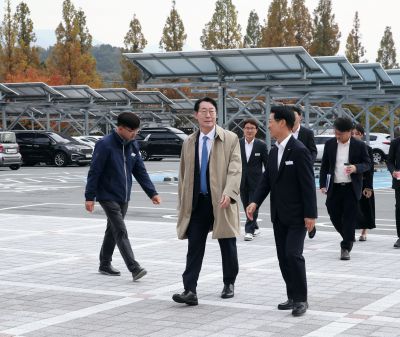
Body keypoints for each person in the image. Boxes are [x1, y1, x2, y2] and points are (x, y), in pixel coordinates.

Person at [246, 105, 317, 317]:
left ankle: (301, 299)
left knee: (293, 254)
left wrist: (311, 214)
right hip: (279, 215)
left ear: (282, 123)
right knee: (282, 257)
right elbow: (267, 180)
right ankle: (292, 296)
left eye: (270, 121)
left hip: (297, 215)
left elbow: (307, 185)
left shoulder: (300, 150)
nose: (268, 125)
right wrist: (254, 202)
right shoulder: (274, 150)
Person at [172, 97, 242, 306]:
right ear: (196, 115)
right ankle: (189, 289)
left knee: (227, 242)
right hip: (197, 202)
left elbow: (236, 169)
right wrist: (182, 201)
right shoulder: (189, 142)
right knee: (194, 246)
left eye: (211, 111)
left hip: (221, 200)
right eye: (203, 111)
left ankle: (229, 282)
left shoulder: (230, 138)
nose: (208, 115)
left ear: (216, 114)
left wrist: (229, 192)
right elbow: (183, 174)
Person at [85, 112, 161, 281]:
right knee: (120, 230)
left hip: (123, 195)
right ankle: (134, 268)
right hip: (106, 195)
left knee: (112, 230)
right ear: (120, 128)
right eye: (131, 130)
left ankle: (104, 264)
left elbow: (140, 170)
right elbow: (94, 171)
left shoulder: (133, 145)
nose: (135, 133)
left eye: (137, 130)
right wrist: (89, 197)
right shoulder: (104, 145)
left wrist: (152, 193)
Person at [319, 117, 370, 260]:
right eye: (336, 133)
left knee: (349, 218)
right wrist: (323, 184)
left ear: (349, 132)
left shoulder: (359, 146)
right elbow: (324, 166)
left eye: (340, 134)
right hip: (334, 187)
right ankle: (349, 236)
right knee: (333, 213)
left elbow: (367, 163)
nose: (337, 136)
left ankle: (345, 247)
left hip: (351, 188)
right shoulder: (330, 144)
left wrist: (355, 168)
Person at [239, 118, 268, 241]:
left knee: (253, 205)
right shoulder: (237, 144)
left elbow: (267, 164)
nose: (249, 130)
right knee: (246, 205)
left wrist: (268, 181)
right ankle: (255, 227)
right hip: (241, 181)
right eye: (247, 128)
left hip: (256, 182)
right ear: (243, 130)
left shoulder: (261, 145)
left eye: (252, 128)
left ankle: (249, 230)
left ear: (256, 130)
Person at [292, 105, 318, 239]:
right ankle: (302, 224)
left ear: (300, 117)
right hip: (290, 174)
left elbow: (313, 150)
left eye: (294, 115)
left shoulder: (307, 133)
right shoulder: (285, 132)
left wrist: (308, 163)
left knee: (307, 197)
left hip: (305, 172)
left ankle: (311, 223)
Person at [352, 124, 376, 241]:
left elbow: (370, 169)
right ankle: (350, 231)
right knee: (351, 208)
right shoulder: (348, 148)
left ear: (361, 135)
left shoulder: (367, 149)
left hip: (364, 183)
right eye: (352, 134)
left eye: (357, 133)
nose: (354, 136)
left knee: (365, 207)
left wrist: (369, 187)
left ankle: (364, 232)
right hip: (351, 182)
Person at [387, 134, 400, 248]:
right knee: (399, 208)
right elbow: (389, 161)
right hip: (399, 181)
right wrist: (393, 171)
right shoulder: (396, 142)